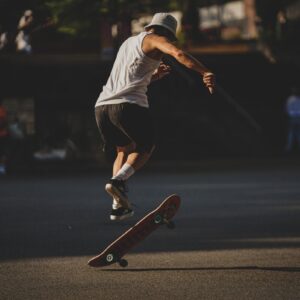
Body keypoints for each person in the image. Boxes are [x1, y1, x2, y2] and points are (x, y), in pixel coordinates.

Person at [95, 12, 215, 220]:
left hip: (102, 107)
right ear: (166, 33)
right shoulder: (156, 39)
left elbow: (129, 77)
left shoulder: (128, 43)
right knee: (146, 146)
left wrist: (152, 77)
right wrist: (204, 71)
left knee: (123, 150)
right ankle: (118, 182)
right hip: (128, 106)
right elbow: (178, 54)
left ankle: (118, 205)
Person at [285, 87, 300, 153]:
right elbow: (287, 108)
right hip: (294, 117)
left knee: (294, 132)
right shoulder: (291, 99)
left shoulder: (295, 99)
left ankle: (289, 146)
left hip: (295, 117)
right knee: (292, 132)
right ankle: (289, 146)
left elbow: (287, 109)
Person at [0, 100, 8, 175]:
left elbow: (2, 122)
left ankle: (2, 167)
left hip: (1, 134)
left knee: (2, 151)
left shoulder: (1, 110)